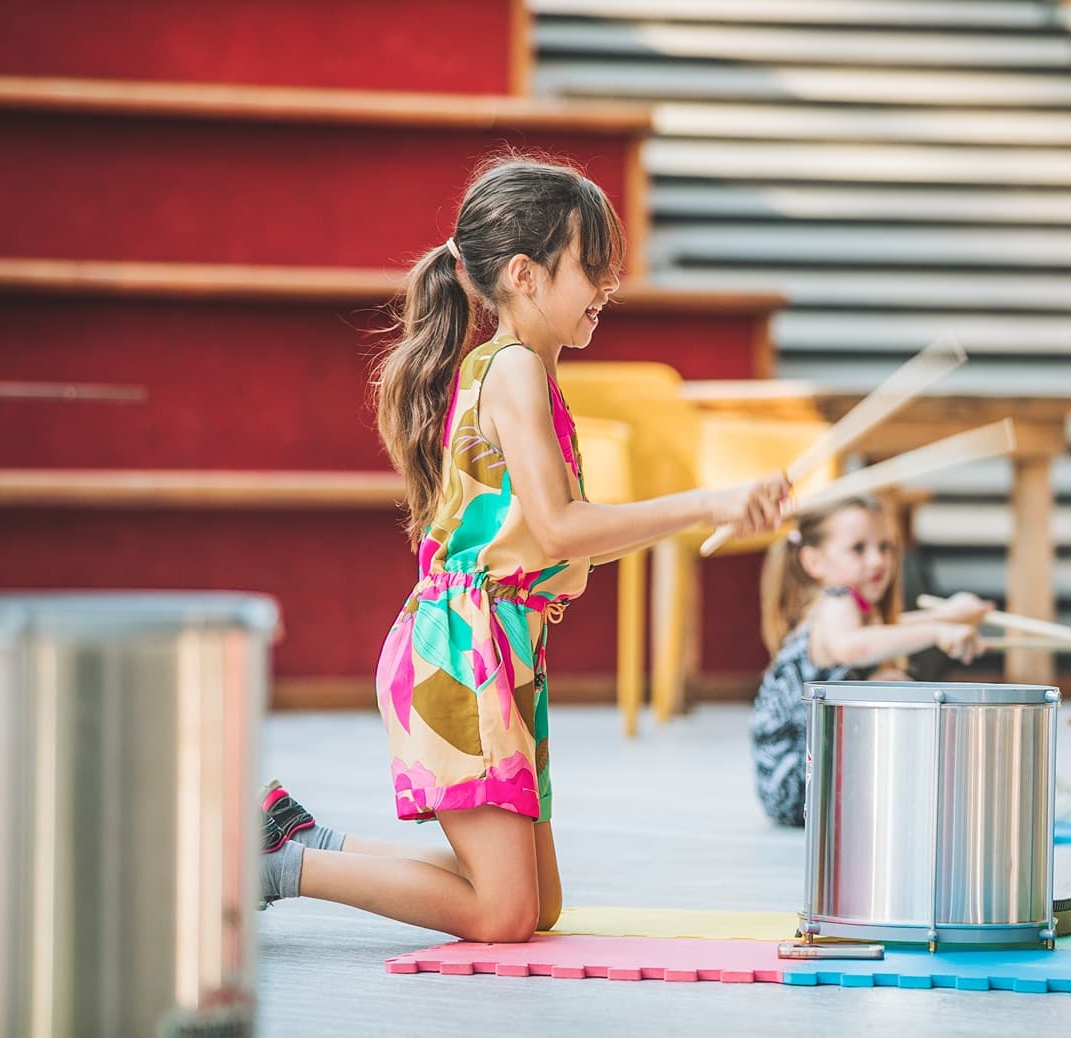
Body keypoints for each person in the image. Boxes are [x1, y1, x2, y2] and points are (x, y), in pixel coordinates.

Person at [257, 156, 791, 942]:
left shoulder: (517, 369)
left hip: (499, 654)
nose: (609, 286)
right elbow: (565, 527)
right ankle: (286, 865)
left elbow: (559, 539)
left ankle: (302, 840)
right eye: (592, 267)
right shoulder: (513, 371)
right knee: (504, 915)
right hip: (463, 655)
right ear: (525, 275)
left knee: (534, 906)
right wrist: (705, 502)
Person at [750, 496, 989, 827]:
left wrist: (950, 618)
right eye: (858, 549)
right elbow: (852, 647)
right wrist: (938, 630)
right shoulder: (838, 602)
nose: (878, 560)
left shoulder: (848, 610)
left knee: (891, 678)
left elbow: (884, 633)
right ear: (813, 562)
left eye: (885, 547)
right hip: (799, 780)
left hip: (798, 782)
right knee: (893, 683)